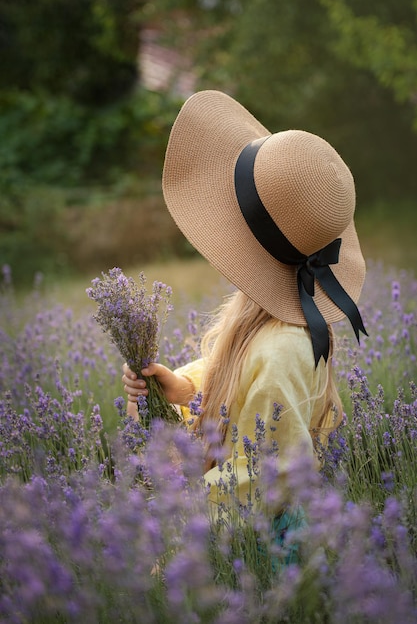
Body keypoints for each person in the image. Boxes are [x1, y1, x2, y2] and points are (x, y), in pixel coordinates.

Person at [122, 90, 367, 557]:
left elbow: (257, 479)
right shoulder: (268, 324)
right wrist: (183, 388)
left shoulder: (281, 354)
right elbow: (239, 381)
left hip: (256, 547)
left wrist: (169, 516)